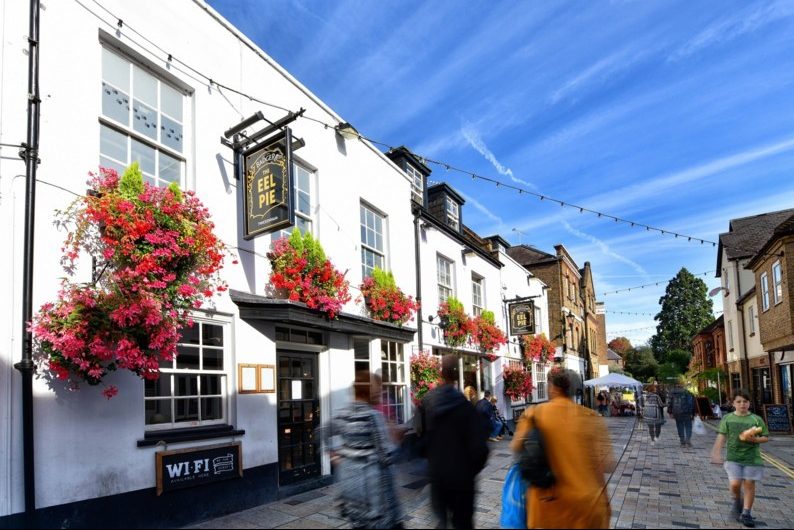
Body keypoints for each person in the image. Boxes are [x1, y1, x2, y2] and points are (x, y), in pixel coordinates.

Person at [511, 368, 613, 529]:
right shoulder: (592, 418)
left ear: (553, 388)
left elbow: (516, 446)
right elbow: (604, 465)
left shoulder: (534, 414)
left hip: (549, 507)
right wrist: (605, 503)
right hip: (587, 507)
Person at [423, 355, 490, 529]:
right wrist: (469, 472)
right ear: (456, 378)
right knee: (462, 523)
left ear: (441, 374)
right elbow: (480, 450)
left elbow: (421, 441)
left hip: (438, 479)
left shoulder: (428, 405)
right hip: (462, 482)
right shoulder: (466, 408)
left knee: (442, 522)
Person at [332, 371, 403, 529]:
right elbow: (386, 457)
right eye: (378, 390)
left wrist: (334, 455)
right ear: (369, 391)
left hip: (352, 494)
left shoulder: (343, 414)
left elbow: (322, 432)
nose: (381, 394)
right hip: (374, 496)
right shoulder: (373, 416)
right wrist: (396, 439)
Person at [710, 389, 770, 528]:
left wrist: (754, 440)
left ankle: (746, 513)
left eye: (745, 401)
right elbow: (722, 436)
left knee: (749, 484)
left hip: (752, 458)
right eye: (739, 402)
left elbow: (765, 437)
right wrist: (716, 452)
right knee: (735, 484)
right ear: (733, 403)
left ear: (749, 403)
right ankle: (737, 501)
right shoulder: (728, 418)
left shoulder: (756, 419)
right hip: (733, 457)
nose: (742, 404)